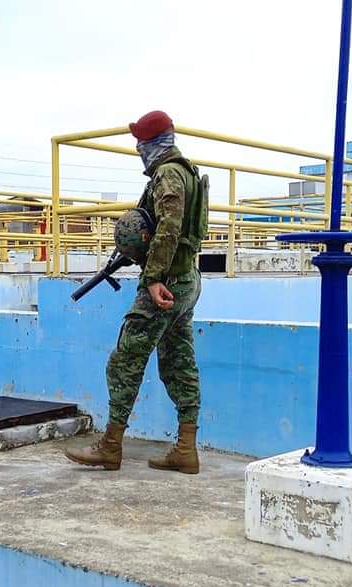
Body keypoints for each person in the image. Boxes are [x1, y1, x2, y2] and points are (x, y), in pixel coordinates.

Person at [65, 110, 208, 474]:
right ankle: (186, 449)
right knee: (179, 362)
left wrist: (153, 277)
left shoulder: (168, 174)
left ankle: (111, 446)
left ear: (151, 144)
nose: (138, 149)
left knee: (125, 360)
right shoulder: (187, 171)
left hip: (167, 282)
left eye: (140, 143)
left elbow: (169, 226)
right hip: (187, 280)